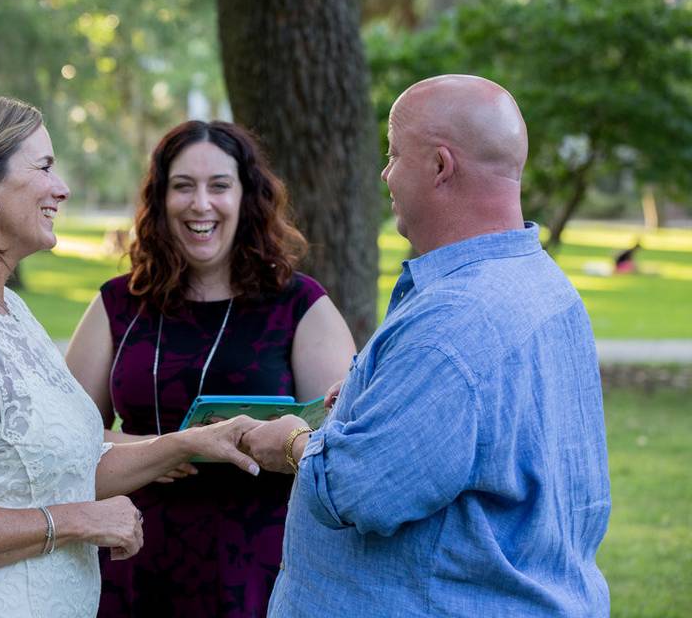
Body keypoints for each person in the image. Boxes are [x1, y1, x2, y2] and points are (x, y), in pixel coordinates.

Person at [242, 75, 611, 617]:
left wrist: (293, 442)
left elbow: (359, 490)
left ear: (440, 166)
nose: (385, 173)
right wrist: (388, 395)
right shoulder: (542, 282)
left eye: (394, 153)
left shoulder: (455, 322)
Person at [0, 95, 262, 618]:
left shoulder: (10, 312)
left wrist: (189, 443)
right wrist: (79, 522)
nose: (61, 188)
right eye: (43, 167)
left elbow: (66, 464)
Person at [65, 120, 355, 617]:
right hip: (131, 562)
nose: (201, 204)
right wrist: (158, 449)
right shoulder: (118, 303)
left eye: (219, 186)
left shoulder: (300, 304)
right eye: (183, 187)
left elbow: (343, 444)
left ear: (248, 197)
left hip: (258, 569)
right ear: (160, 200)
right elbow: (57, 441)